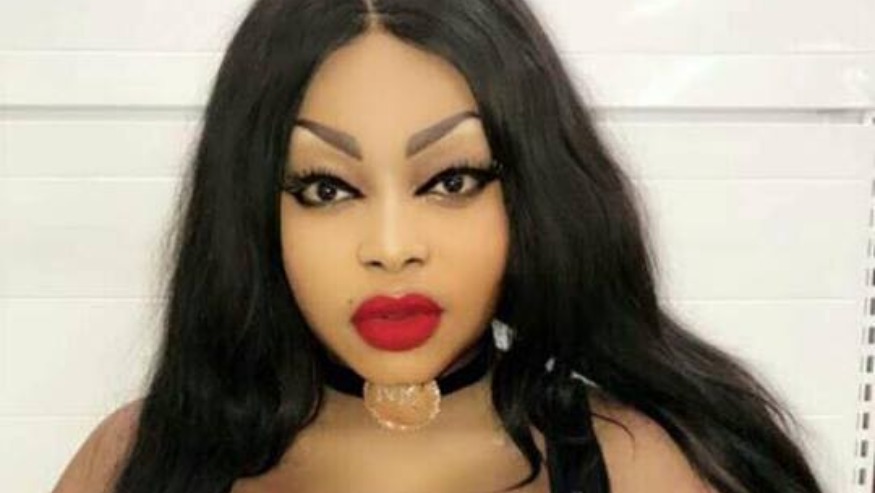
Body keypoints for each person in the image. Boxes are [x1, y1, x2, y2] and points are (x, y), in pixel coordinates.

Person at [52, 1, 827, 492]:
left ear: (529, 192)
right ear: (252, 211)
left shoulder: (646, 467)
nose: (391, 248)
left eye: (452, 180)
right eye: (326, 189)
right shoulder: (138, 461)